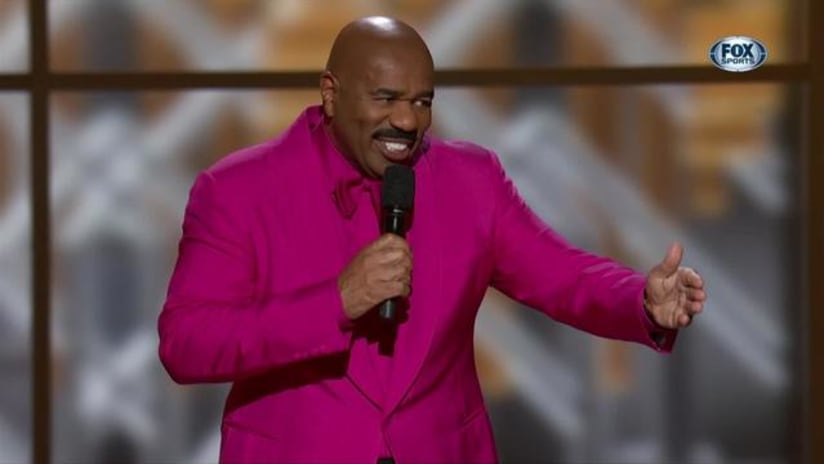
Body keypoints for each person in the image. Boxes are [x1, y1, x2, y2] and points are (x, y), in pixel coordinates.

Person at [158, 16, 706, 464]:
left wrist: (640, 299)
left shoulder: (470, 180)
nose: (407, 120)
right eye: (387, 97)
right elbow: (188, 343)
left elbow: (560, 272)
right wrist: (334, 303)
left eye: (422, 101)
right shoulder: (237, 189)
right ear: (330, 93)